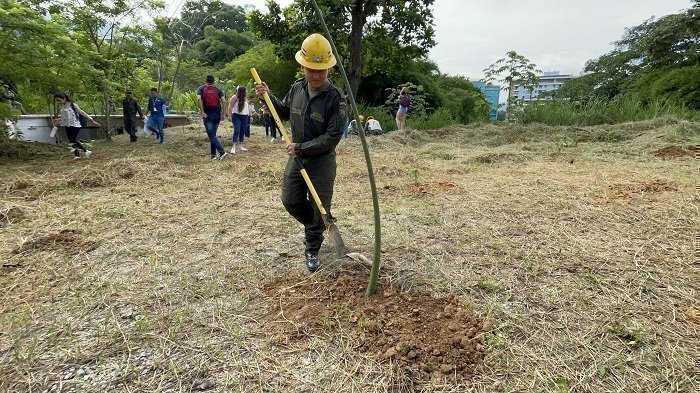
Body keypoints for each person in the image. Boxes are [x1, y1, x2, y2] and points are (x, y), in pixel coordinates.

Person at [255, 33, 346, 272]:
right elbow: (284, 112)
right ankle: (317, 224)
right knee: (290, 200)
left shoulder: (336, 99)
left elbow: (332, 137)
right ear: (303, 67)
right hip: (297, 158)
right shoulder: (297, 88)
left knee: (319, 205)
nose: (316, 75)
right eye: (311, 69)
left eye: (321, 70)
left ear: (328, 69)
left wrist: (301, 147)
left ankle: (312, 247)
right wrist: (268, 97)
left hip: (321, 161)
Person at [52, 93, 100, 160]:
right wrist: (58, 120)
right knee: (71, 141)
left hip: (75, 125)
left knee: (74, 140)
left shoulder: (72, 105)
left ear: (64, 98)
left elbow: (82, 112)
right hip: (67, 125)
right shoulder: (63, 106)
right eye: (57, 101)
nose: (58, 102)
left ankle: (84, 152)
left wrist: (92, 120)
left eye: (59, 100)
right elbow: (65, 117)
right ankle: (78, 155)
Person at [197, 75, 228, 160]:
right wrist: (223, 114)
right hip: (217, 115)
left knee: (211, 136)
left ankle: (222, 152)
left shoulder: (201, 88)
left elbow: (198, 99)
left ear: (206, 81)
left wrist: (202, 111)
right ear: (213, 81)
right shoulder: (217, 89)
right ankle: (213, 156)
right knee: (213, 135)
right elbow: (224, 101)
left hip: (208, 115)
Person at [228, 86, 250, 154]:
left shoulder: (246, 98)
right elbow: (230, 106)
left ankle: (241, 146)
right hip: (236, 116)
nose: (247, 92)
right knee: (237, 130)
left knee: (242, 131)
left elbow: (247, 107)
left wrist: (249, 115)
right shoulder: (235, 97)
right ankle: (234, 147)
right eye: (246, 91)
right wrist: (230, 116)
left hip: (245, 116)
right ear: (242, 91)